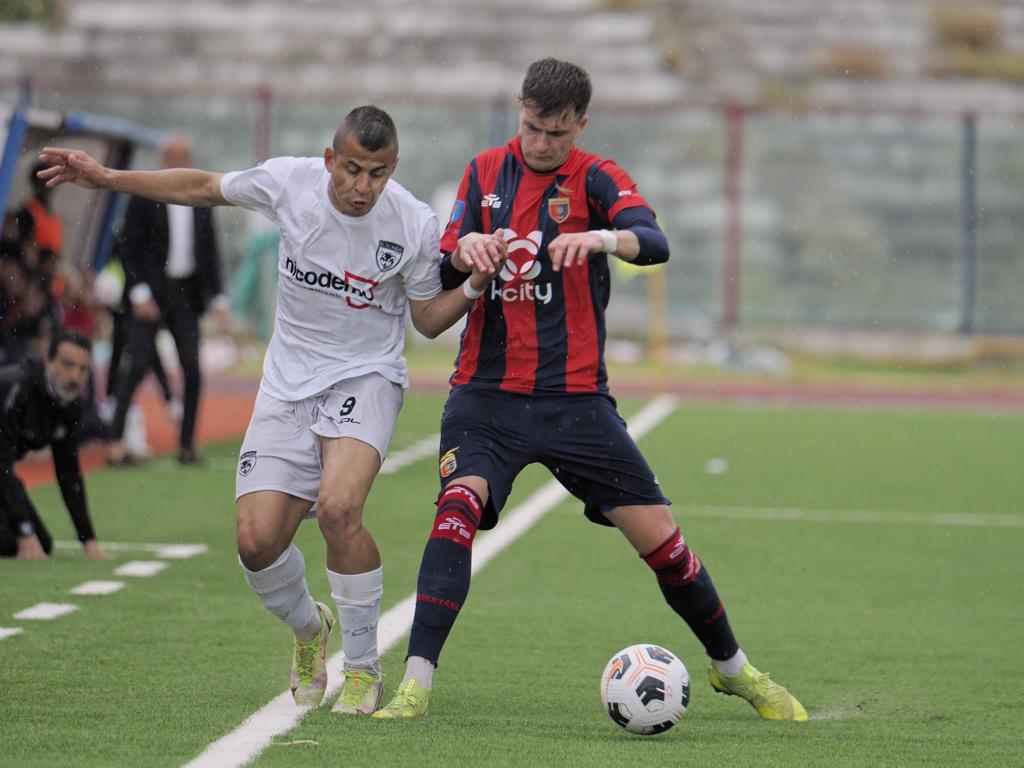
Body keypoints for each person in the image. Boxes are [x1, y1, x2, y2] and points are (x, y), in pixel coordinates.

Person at [373, 59, 807, 722]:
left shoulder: (599, 178)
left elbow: (655, 242)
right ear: (519, 112)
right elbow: (446, 255)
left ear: (580, 123)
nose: (540, 142)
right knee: (457, 509)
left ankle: (732, 670)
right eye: (530, 127)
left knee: (664, 544)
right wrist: (473, 251)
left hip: (577, 403)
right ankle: (416, 681)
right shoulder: (484, 171)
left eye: (555, 131)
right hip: (485, 397)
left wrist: (601, 238)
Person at [36, 105, 503, 714]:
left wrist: (471, 287)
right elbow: (203, 187)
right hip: (286, 384)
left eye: (379, 173)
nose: (363, 187)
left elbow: (425, 319)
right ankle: (311, 630)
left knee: (339, 509)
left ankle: (362, 670)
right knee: (256, 542)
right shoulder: (291, 182)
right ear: (330, 160)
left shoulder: (411, 222)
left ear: (393, 170)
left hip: (366, 378)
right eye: (354, 170)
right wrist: (110, 179)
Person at [104, 137, 226, 466]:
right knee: (137, 365)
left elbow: (210, 251)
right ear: (162, 159)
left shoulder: (201, 198)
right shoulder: (145, 195)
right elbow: (128, 247)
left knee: (192, 367)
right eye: (171, 156)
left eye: (182, 156)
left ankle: (186, 446)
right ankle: (114, 442)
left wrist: (218, 296)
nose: (176, 161)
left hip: (186, 294)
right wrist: (139, 292)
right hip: (151, 293)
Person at [0, 330, 106, 560]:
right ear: (48, 361)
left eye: (83, 369)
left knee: (42, 543)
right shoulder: (16, 388)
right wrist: (23, 530)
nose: (75, 377)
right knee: (18, 539)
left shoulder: (70, 404)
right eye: (67, 365)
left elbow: (68, 472)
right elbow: (2, 465)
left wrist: (88, 538)